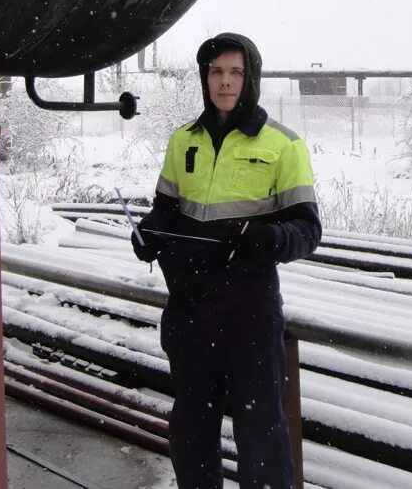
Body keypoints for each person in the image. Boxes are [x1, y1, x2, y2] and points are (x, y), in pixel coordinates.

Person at [131, 32, 322, 489]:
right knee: (192, 428)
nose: (225, 82)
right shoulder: (183, 141)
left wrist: (268, 239)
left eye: (235, 72)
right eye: (216, 72)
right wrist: (148, 233)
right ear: (205, 77)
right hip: (190, 307)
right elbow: (166, 209)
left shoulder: (284, 145)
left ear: (250, 78)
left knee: (260, 434)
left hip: (248, 311)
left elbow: (308, 232)